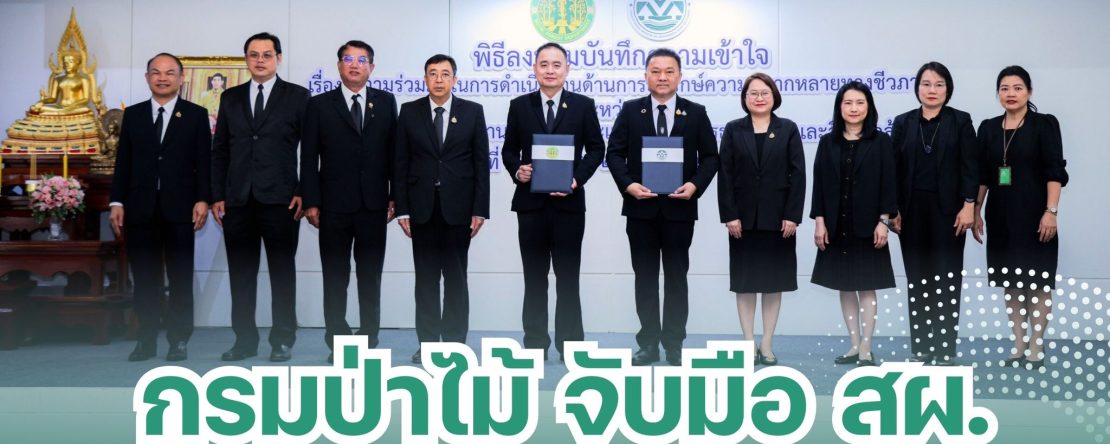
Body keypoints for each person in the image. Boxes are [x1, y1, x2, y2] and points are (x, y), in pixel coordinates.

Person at [605, 48, 719, 366]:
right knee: (645, 278)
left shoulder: (695, 112)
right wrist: (628, 185)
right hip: (640, 210)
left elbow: (711, 157)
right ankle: (649, 344)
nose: (662, 77)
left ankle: (674, 344)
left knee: (676, 278)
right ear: (646, 76)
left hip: (679, 211)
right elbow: (614, 153)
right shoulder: (631, 110)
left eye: (669, 71)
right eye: (656, 71)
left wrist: (694, 185)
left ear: (679, 76)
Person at [501, 42, 605, 362]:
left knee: (568, 279)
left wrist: (576, 178)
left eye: (556, 64)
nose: (550, 70)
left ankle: (571, 345)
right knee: (534, 279)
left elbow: (596, 149)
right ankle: (535, 343)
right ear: (534, 68)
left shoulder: (583, 105)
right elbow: (508, 150)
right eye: (544, 64)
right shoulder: (520, 105)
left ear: (567, 69)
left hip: (568, 206)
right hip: (530, 206)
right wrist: (517, 170)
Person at [210, 32, 310, 362]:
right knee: (241, 275)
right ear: (246, 59)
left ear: (278, 58)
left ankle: (282, 339)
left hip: (282, 201)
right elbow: (220, 150)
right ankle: (244, 341)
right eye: (254, 55)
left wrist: (303, 191)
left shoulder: (297, 96)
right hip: (237, 201)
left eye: (267, 54)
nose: (260, 60)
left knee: (282, 273)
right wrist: (218, 194)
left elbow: (312, 150)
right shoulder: (231, 97)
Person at [109, 53, 211, 362]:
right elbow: (123, 162)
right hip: (140, 209)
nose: (162, 78)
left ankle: (178, 340)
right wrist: (117, 201)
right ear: (147, 77)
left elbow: (204, 162)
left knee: (180, 278)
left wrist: (203, 199)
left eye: (169, 73)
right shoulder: (134, 115)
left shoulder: (195, 114)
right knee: (145, 278)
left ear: (181, 78)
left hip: (180, 209)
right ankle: (146, 340)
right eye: (156, 72)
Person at [301, 40, 398, 364]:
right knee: (335, 277)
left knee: (370, 276)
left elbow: (395, 154)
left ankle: (369, 337)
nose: (354, 64)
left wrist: (395, 196)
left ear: (372, 66)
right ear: (339, 65)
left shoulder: (386, 101)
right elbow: (309, 157)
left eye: (361, 59)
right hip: (332, 206)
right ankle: (338, 341)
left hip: (374, 205)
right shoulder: (319, 105)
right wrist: (311, 201)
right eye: (348, 59)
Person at [393, 54, 490, 364]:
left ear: (454, 80)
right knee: (425, 281)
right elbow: (400, 162)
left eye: (445, 74)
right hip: (421, 210)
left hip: (459, 210)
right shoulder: (409, 112)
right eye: (432, 73)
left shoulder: (472, 112)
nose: (438, 79)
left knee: (456, 280)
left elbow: (481, 163)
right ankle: (428, 344)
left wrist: (480, 209)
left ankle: (455, 344)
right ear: (425, 79)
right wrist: (402, 209)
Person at [974, 65, 1068, 370]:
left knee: (1038, 283)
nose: (1010, 94)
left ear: (1029, 91)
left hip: (1035, 215)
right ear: (997, 93)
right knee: (1011, 283)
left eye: (1017, 88)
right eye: (1004, 88)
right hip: (1001, 216)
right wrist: (976, 210)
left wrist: (1051, 212)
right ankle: (1018, 344)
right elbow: (983, 176)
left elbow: (1055, 172)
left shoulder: (1044, 124)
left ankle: (1036, 345)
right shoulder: (988, 128)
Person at [890, 62, 979, 366]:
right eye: (926, 84)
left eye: (939, 84)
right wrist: (893, 210)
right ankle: (922, 347)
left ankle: (944, 348)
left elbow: (971, 166)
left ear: (948, 89)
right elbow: (894, 169)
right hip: (910, 213)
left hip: (950, 213)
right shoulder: (903, 122)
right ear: (917, 88)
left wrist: (969, 205)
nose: (932, 90)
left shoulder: (960, 121)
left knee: (946, 278)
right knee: (918, 279)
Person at [716, 72, 804, 367]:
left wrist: (792, 215)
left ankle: (766, 342)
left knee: (772, 283)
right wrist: (729, 215)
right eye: (752, 93)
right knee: (745, 284)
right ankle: (747, 341)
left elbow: (798, 175)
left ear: (774, 96)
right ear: (745, 99)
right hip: (741, 222)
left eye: (764, 92)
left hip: (779, 222)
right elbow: (725, 175)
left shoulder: (787, 129)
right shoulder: (734, 129)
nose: (759, 98)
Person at [810, 81, 896, 367]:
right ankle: (854, 344)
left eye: (860, 102)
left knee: (867, 287)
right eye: (848, 103)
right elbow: (819, 185)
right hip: (837, 226)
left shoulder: (881, 142)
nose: (854, 108)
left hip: (869, 227)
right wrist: (819, 222)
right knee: (844, 286)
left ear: (868, 107)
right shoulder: (827, 142)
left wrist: (884, 221)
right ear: (840, 107)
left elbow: (889, 184)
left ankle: (867, 347)